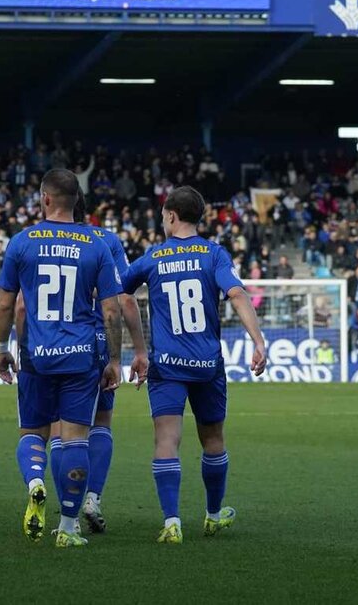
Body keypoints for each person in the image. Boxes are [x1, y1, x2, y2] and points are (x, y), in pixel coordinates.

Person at [121, 185, 267, 544]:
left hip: (167, 364)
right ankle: (214, 515)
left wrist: (137, 347)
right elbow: (236, 294)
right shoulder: (213, 254)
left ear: (171, 215)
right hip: (206, 364)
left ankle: (172, 522)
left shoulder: (152, 257)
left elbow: (120, 294)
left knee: (166, 440)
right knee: (213, 438)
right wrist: (258, 341)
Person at [0, 169, 125, 548]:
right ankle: (68, 527)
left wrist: (3, 349)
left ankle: (35, 482)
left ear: (45, 199)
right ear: (75, 201)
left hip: (37, 354)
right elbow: (113, 310)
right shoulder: (96, 244)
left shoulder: (22, 242)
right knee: (74, 441)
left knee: (33, 431)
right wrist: (114, 359)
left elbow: (9, 305)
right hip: (81, 355)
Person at [47, 198, 148, 536]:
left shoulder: (40, 239)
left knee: (63, 429)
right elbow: (125, 300)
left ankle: (68, 513)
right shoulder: (106, 241)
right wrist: (138, 349)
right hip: (99, 342)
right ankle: (91, 498)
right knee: (101, 421)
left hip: (54, 343)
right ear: (87, 212)